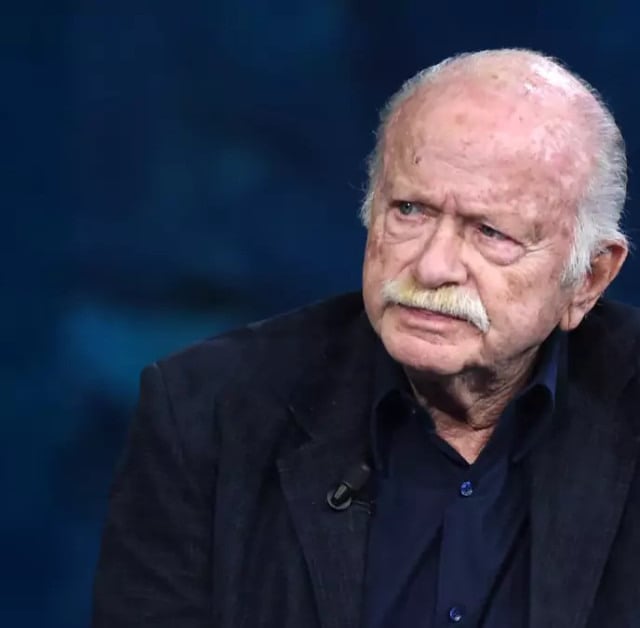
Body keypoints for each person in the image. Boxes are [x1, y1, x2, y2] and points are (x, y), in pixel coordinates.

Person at [92, 49, 640, 628]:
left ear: (589, 278)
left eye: (490, 232)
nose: (432, 266)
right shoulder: (206, 415)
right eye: (410, 210)